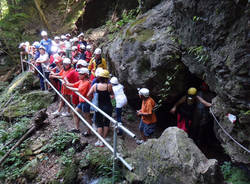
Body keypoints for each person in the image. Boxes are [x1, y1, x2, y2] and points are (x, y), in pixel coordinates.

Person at [87, 69, 113, 147]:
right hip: (108, 106)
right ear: (106, 78)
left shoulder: (95, 86)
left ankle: (99, 140)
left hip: (99, 107)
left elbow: (88, 94)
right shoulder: (109, 86)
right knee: (106, 122)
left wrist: (93, 98)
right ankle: (104, 139)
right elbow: (112, 94)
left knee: (99, 123)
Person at [64, 68, 92, 134]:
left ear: (85, 75)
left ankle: (89, 132)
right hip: (81, 102)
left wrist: (67, 87)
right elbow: (73, 84)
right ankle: (77, 128)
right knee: (75, 113)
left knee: (87, 117)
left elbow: (78, 90)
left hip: (85, 102)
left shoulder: (87, 83)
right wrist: (66, 84)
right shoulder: (81, 81)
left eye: (80, 74)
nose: (78, 75)